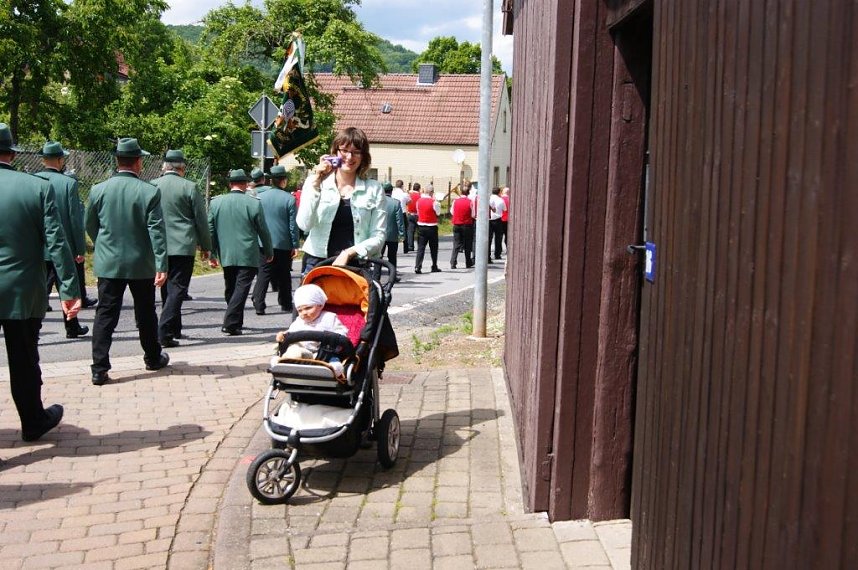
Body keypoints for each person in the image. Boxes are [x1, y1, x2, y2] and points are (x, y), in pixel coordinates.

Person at [0, 123, 80, 441]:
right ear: (11, 152)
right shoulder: (35, 187)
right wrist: (70, 289)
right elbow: (56, 241)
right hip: (22, 289)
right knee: (24, 359)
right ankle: (32, 420)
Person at [86, 138, 170, 386]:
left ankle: (99, 368)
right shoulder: (149, 191)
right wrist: (161, 263)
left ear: (117, 160)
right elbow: (156, 230)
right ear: (138, 162)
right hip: (140, 262)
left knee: (105, 314)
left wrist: (103, 244)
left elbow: (90, 225)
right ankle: (152, 357)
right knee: (145, 313)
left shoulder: (98, 190)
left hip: (108, 262)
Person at [297, 127, 386, 274]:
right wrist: (317, 183)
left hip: (355, 264)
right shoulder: (315, 182)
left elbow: (379, 236)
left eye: (356, 152)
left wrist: (348, 253)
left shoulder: (374, 189)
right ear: (335, 152)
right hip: (317, 262)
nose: (350, 157)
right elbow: (305, 225)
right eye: (344, 150)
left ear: (363, 156)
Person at [151, 149, 212, 347]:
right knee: (177, 288)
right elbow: (201, 220)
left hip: (158, 244)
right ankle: (164, 330)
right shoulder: (190, 187)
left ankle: (174, 329)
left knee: (166, 287)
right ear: (182, 168)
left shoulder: (152, 185)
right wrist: (205, 245)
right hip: (183, 244)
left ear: (164, 167)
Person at [208, 169, 273, 335]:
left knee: (231, 287)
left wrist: (212, 253)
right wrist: (268, 250)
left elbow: (211, 229)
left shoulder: (216, 203)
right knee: (241, 288)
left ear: (230, 184)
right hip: (247, 253)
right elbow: (263, 230)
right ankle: (230, 322)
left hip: (226, 253)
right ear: (245, 184)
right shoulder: (253, 203)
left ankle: (236, 321)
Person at [36, 141, 89, 339]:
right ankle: (71, 325)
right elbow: (75, 219)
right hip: (63, 245)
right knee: (67, 285)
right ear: (60, 160)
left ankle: (35, 325)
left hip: (40, 246)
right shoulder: (68, 183)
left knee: (42, 286)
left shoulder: (33, 180)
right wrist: (79, 248)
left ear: (43, 160)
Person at [273, 284, 348, 377]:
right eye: (300, 311)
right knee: (293, 349)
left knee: (335, 361)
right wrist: (283, 335)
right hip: (302, 351)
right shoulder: (299, 321)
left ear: (320, 305)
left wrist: (335, 337)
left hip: (324, 353)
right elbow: (290, 333)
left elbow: (341, 333)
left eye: (308, 308)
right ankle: (284, 362)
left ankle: (333, 370)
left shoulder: (329, 317)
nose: (304, 313)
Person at [252, 165, 299, 315]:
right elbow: (293, 225)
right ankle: (285, 303)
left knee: (264, 273)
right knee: (284, 274)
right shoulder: (289, 199)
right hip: (283, 243)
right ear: (283, 181)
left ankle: (259, 303)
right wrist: (295, 244)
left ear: (271, 180)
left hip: (262, 242)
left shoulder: (260, 197)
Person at [414, 184, 442, 274]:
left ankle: (418, 266)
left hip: (421, 226)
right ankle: (434, 265)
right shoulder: (434, 202)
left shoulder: (418, 201)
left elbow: (418, 213)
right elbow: (438, 213)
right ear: (431, 192)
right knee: (434, 248)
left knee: (421, 248)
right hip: (432, 227)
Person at [381, 182, 405, 281]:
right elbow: (399, 220)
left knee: (378, 257)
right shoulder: (396, 203)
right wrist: (401, 233)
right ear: (391, 191)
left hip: (380, 234)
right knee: (392, 257)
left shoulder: (378, 202)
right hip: (392, 234)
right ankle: (392, 276)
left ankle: (376, 277)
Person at [449, 189, 475, 269]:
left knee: (456, 244)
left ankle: (453, 262)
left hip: (456, 224)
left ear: (461, 193)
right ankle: (468, 262)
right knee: (467, 244)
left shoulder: (455, 201)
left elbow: (452, 212)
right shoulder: (470, 201)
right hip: (467, 225)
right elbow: (473, 214)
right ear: (468, 193)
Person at [489, 186, 507, 261]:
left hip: (489, 220)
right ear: (499, 192)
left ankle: (488, 255)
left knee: (489, 238)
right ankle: (497, 254)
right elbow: (505, 209)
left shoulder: (489, 199)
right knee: (498, 238)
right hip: (498, 220)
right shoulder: (501, 200)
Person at [404, 182, 420, 253]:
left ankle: (410, 246)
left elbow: (407, 203)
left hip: (410, 214)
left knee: (410, 231)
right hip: (418, 215)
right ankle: (420, 245)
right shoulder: (420, 196)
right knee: (419, 231)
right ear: (419, 189)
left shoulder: (409, 195)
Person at [500, 186, 510, 253]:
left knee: (499, 236)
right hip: (508, 219)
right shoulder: (510, 199)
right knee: (507, 235)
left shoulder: (500, 199)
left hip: (500, 219)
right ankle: (507, 248)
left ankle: (499, 249)